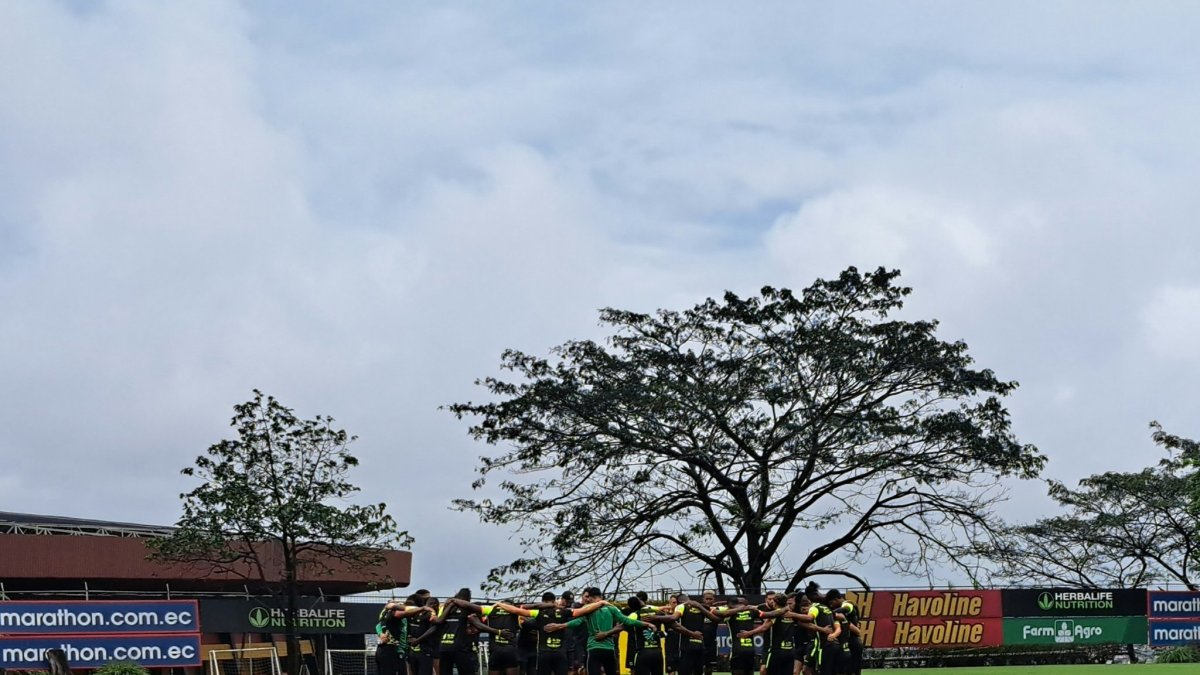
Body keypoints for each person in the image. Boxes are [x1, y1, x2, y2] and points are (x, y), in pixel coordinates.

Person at [544, 587, 648, 675]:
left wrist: (560, 625)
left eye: (588, 598)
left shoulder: (589, 609)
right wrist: (647, 624)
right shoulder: (612, 608)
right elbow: (627, 621)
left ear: (591, 597)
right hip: (609, 649)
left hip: (594, 649)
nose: (587, 600)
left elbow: (577, 622)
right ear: (600, 596)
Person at [412, 588, 513, 675]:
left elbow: (435, 627)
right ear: (467, 599)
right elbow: (478, 624)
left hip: (444, 648)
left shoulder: (445, 608)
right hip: (460, 648)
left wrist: (418, 640)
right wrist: (499, 632)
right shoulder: (466, 608)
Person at [627, 596, 694, 675]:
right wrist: (692, 633)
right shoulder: (657, 613)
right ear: (640, 601)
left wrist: (609, 632)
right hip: (657, 653)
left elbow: (621, 625)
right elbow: (676, 626)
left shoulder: (634, 615)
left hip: (642, 652)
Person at [378, 597, 435, 675]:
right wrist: (423, 608)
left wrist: (380, 633)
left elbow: (379, 625)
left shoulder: (400, 618)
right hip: (391, 650)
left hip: (397, 651)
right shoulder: (393, 613)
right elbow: (405, 612)